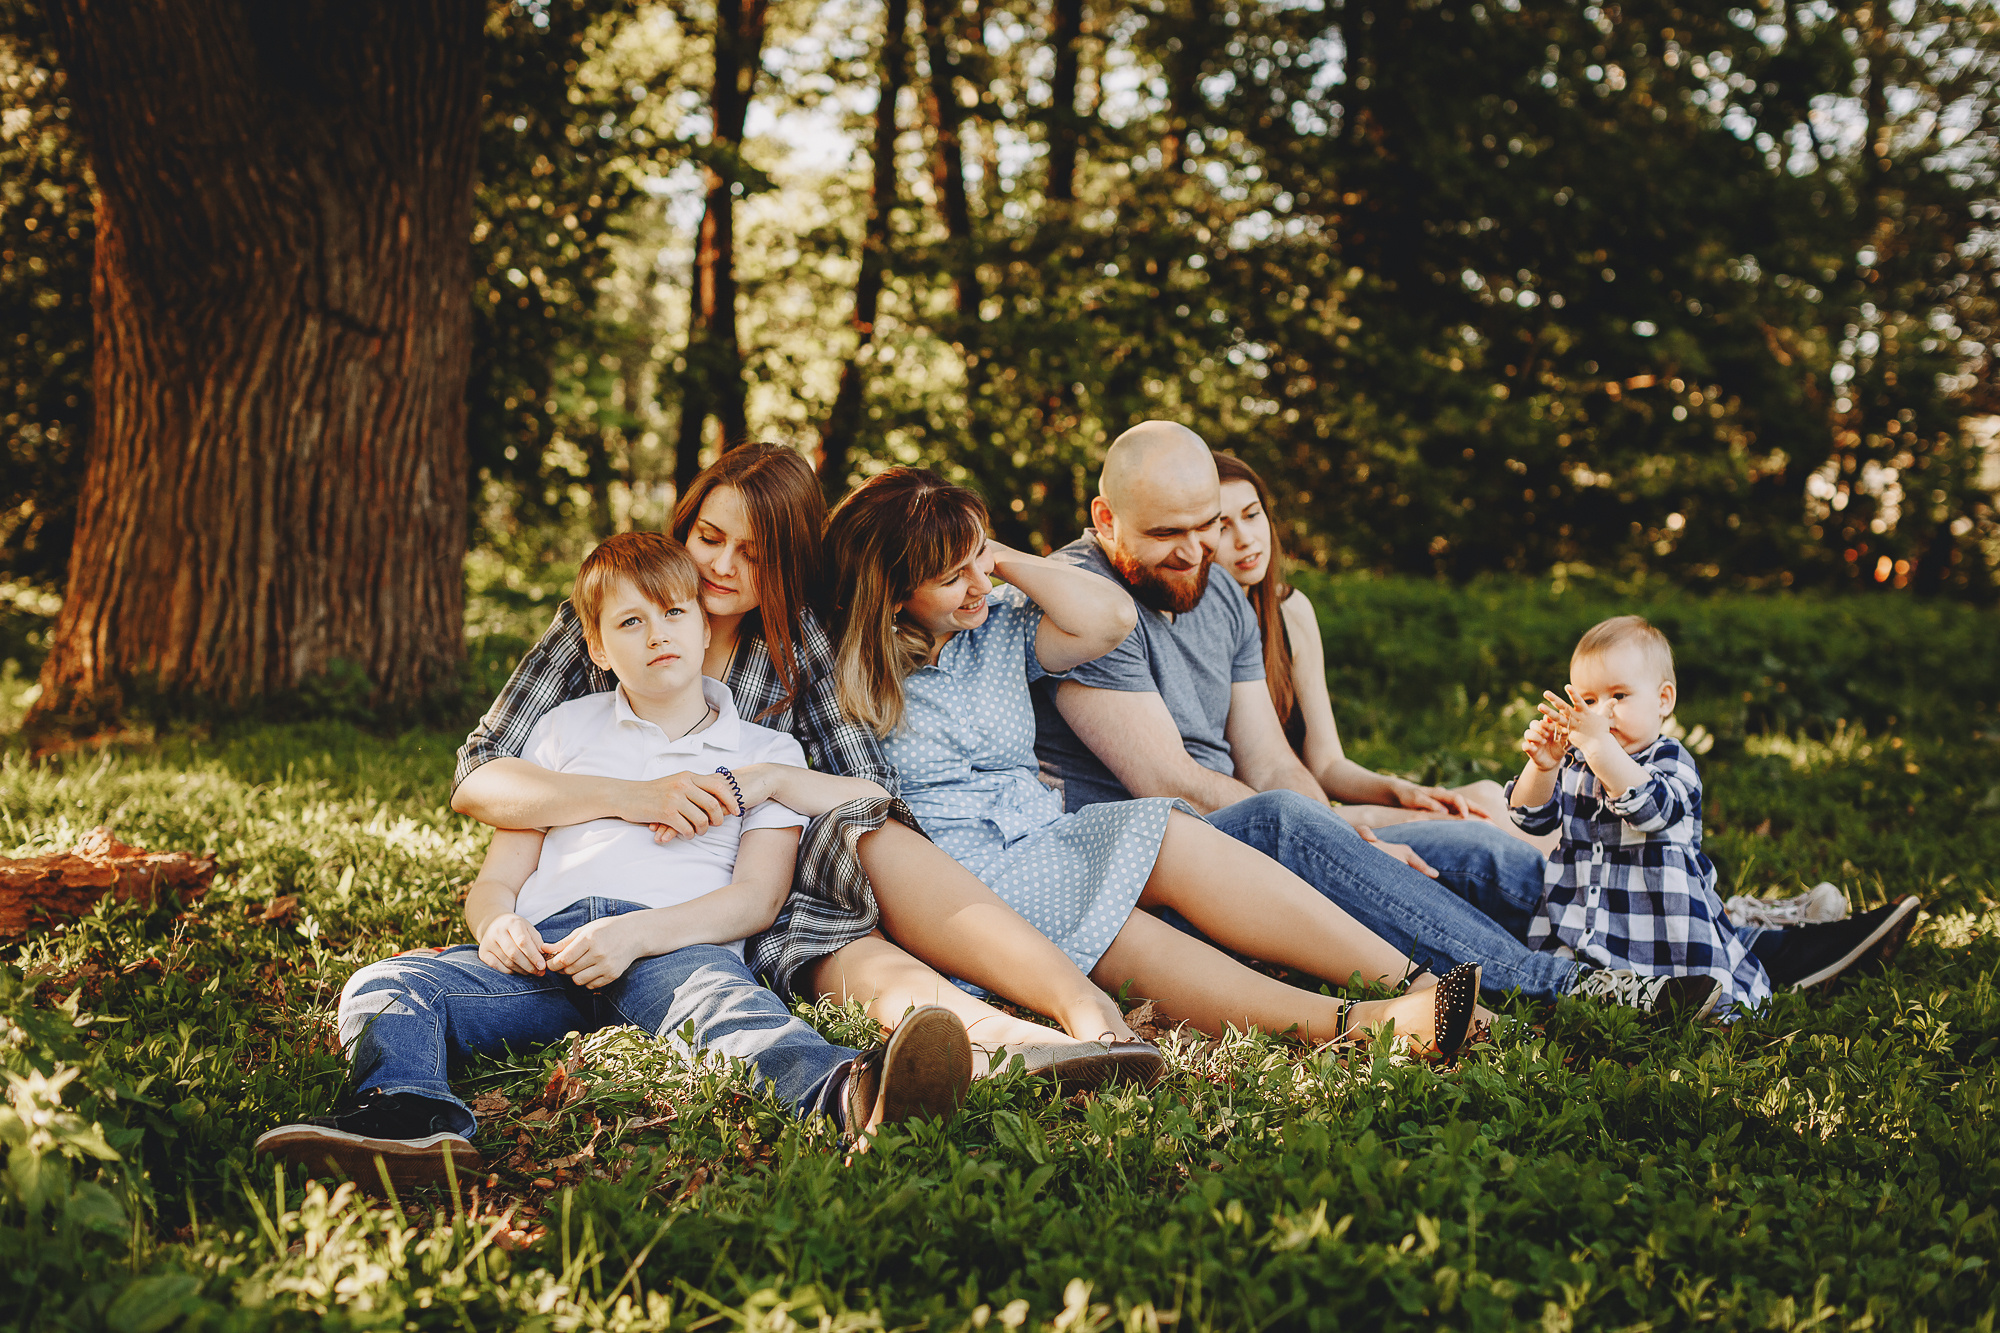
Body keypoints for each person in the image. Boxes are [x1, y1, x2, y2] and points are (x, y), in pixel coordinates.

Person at [257, 534, 973, 1186]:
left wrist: (635, 935)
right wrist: (495, 922)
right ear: (596, 648)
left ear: (704, 626)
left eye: (672, 613)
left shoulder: (761, 752)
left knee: (732, 1014)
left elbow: (757, 899)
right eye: (630, 622)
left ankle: (859, 1099)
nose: (657, 633)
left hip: (675, 946)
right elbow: (498, 875)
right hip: (545, 954)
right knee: (389, 983)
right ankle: (411, 1120)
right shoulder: (563, 732)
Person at [452, 444, 1161, 1088]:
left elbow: (870, 790)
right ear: (685, 526)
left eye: (755, 554)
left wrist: (770, 782)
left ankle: (1072, 1018)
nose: (723, 567)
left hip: (764, 871)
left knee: (862, 839)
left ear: (790, 561)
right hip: (641, 878)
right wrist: (640, 796)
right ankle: (998, 1045)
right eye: (709, 537)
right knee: (814, 938)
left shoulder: (801, 643)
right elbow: (481, 773)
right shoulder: (615, 617)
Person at [1031, 421, 1696, 1012]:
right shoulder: (1084, 600)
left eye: (1203, 524)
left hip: (1253, 837)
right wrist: (1332, 834)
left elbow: (1267, 759)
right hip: (1158, 870)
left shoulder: (1217, 589)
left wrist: (1344, 836)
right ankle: (1559, 985)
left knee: (1480, 853)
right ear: (1106, 516)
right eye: (1164, 533)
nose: (1192, 550)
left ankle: (1705, 944)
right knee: (1286, 821)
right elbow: (1173, 783)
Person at [825, 466, 1487, 1056]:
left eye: (980, 560)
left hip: (1047, 831)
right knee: (1113, 926)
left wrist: (990, 554)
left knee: (1170, 828)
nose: (978, 585)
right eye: (952, 577)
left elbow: (1110, 617)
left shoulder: (1000, 624)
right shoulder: (843, 665)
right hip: (962, 875)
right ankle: (1371, 1024)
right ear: (893, 590)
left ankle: (1420, 981)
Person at [1511, 615, 1922, 1001]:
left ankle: (1809, 946)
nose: (1603, 712)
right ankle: (1797, 940)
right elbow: (1530, 817)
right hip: (1583, 929)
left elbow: (1649, 808)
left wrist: (1599, 748)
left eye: (1618, 695)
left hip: (1663, 932)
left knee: (1702, 983)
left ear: (1663, 701)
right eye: (1588, 700)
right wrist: (1541, 766)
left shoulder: (1669, 760)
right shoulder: (1576, 763)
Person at [1210, 452, 1553, 856]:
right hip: (1273, 822)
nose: (1245, 538)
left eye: (1252, 515)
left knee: (1486, 793)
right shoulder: (1204, 627)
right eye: (1222, 526)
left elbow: (1326, 763)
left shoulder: (1290, 610)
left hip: (1317, 802)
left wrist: (1399, 790)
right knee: (1476, 819)